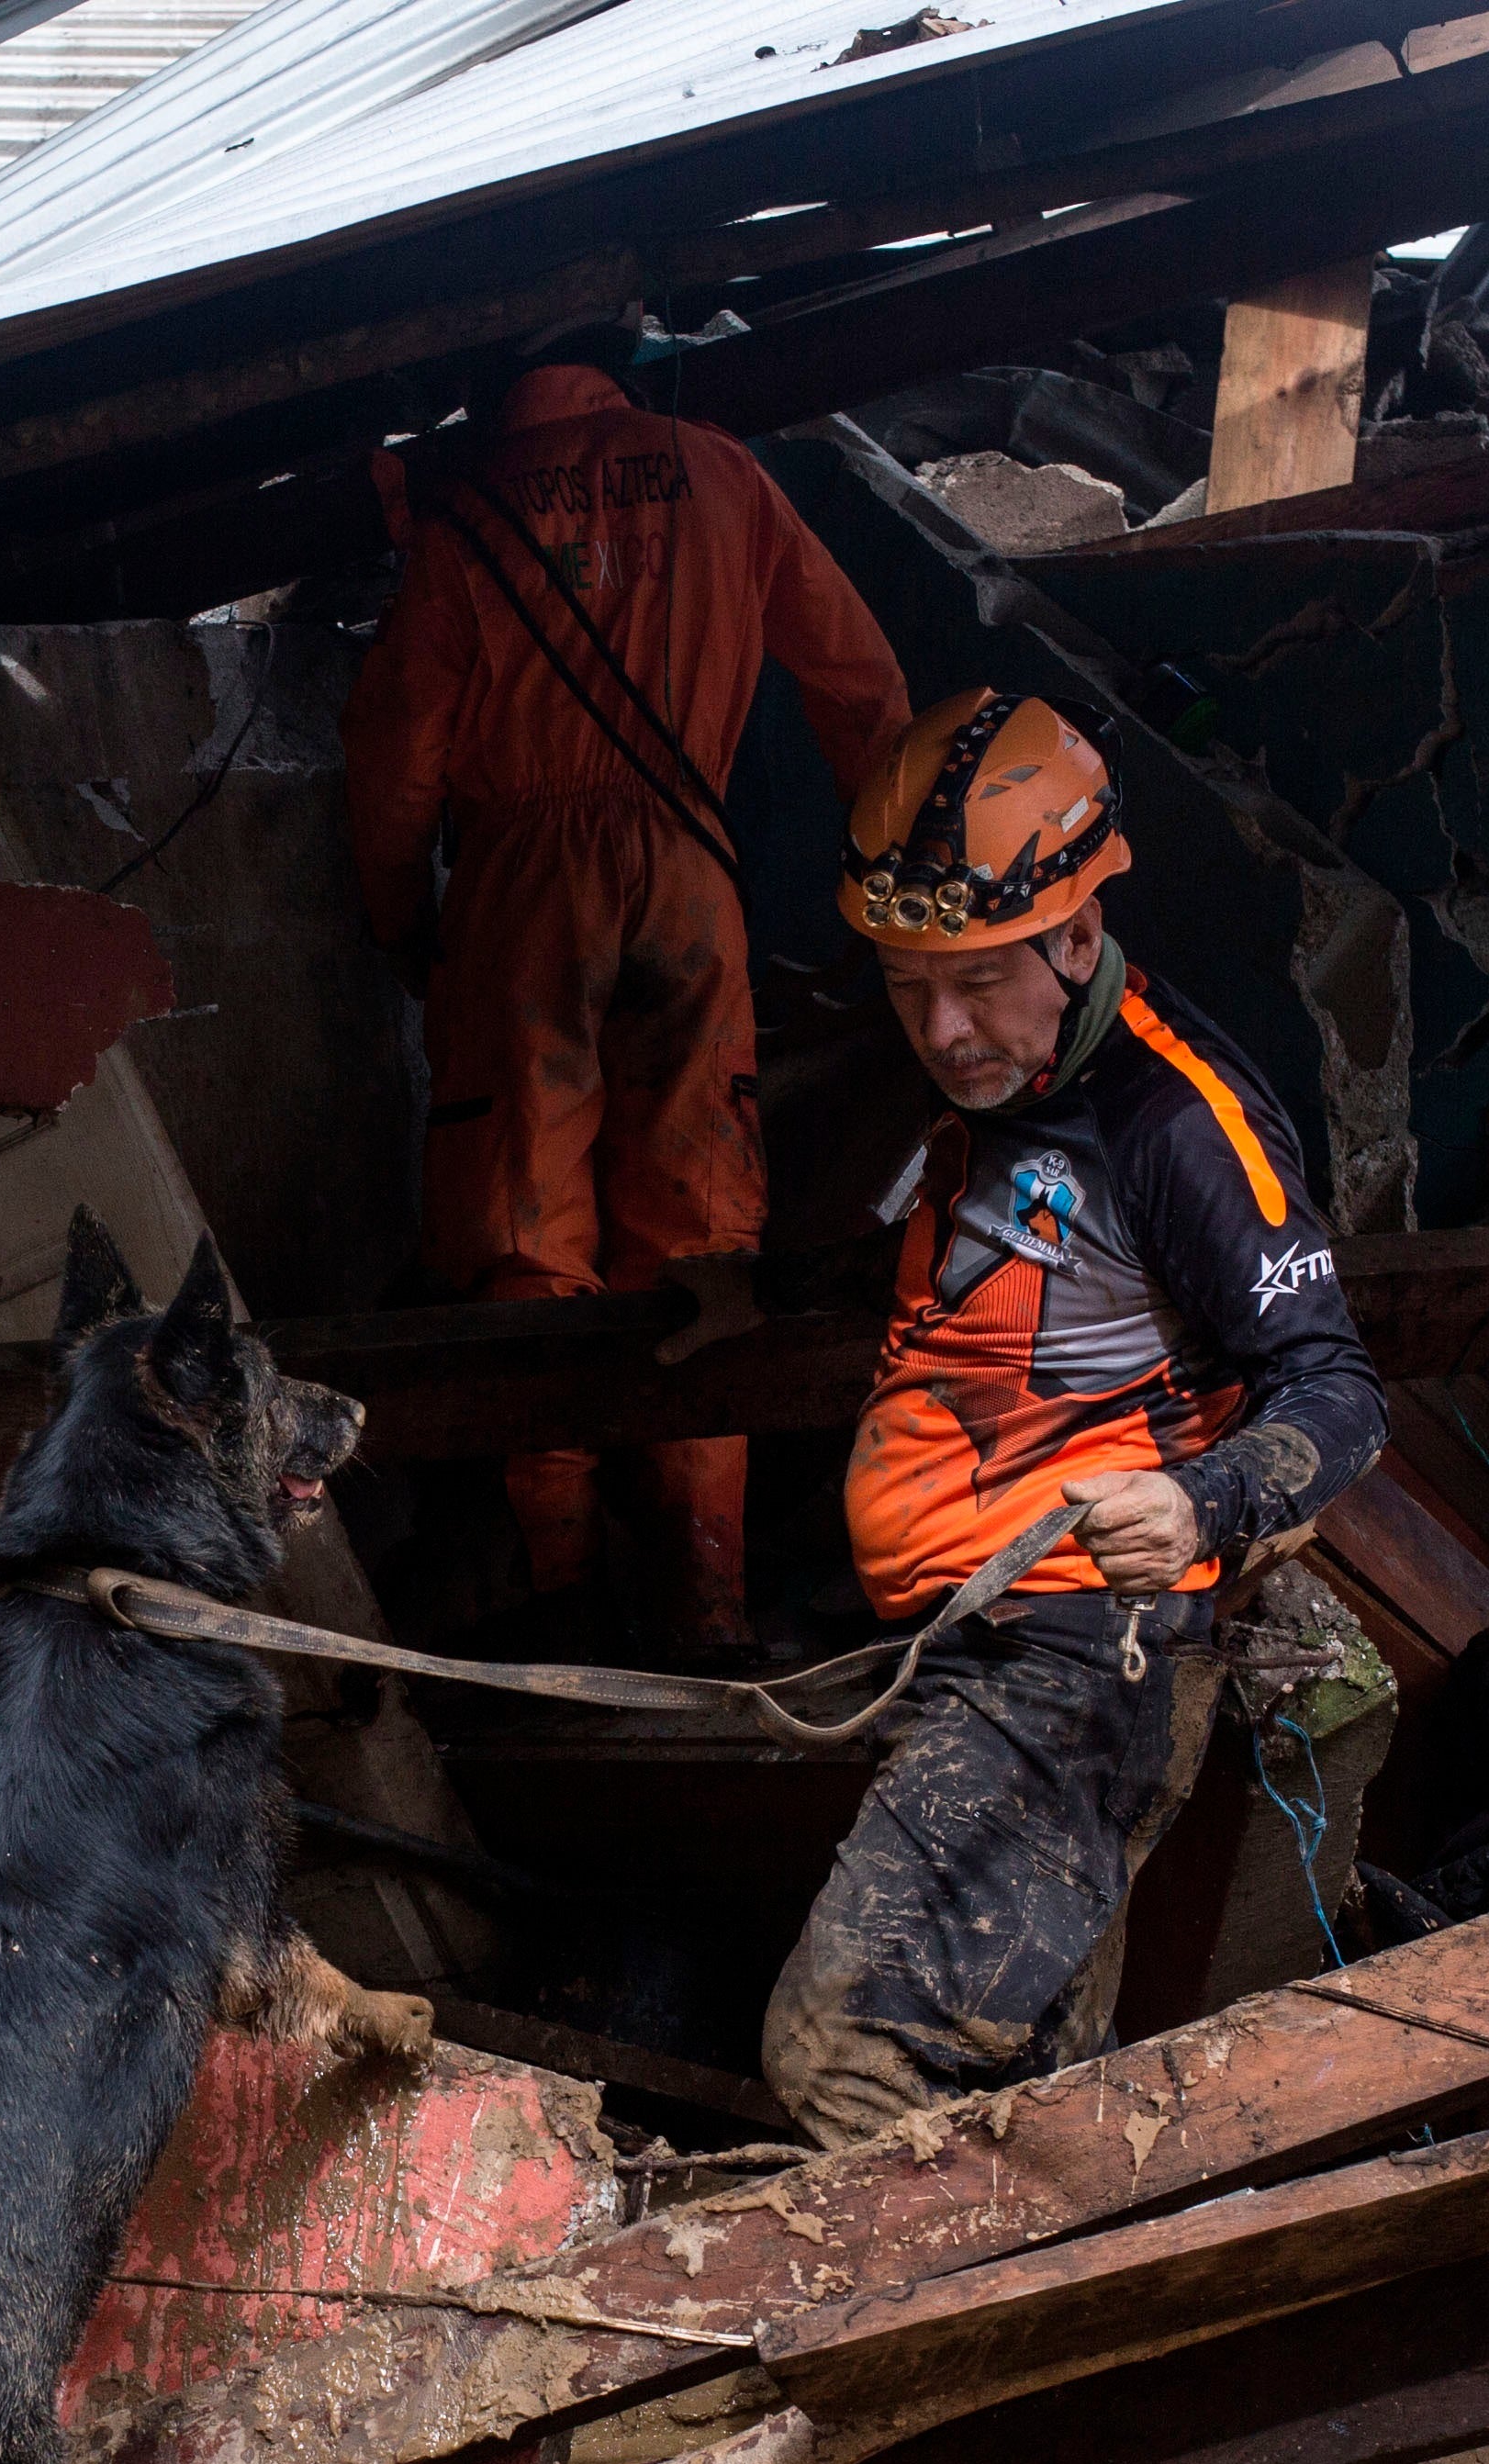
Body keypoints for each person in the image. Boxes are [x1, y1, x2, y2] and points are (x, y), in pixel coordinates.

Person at [756, 689, 1384, 2147]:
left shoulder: (1176, 1124)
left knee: (845, 2052)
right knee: (1032, 2083)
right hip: (975, 1633)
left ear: (1079, 936)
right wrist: (759, 1292)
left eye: (973, 982)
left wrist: (1205, 1504)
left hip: (1079, 1656)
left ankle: (926, 2351)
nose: (940, 1026)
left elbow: (1342, 1391)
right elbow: (988, 1278)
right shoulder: (998, 1082)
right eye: (908, 985)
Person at [342, 322, 906, 1659]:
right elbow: (860, 684)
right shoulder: (717, 473)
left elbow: (394, 767)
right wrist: (893, 896)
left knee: (528, 1237)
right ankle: (708, 1596)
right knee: (702, 1237)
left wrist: (407, 924)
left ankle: (561, 1580)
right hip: (690, 873)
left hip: (520, 901)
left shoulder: (460, 519)